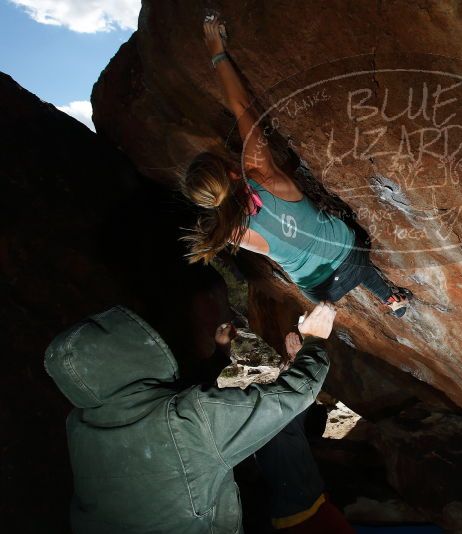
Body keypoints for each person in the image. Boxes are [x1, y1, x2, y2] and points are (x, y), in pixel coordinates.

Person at [44, 302, 345, 533]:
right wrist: (314, 342)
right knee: (281, 440)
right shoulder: (188, 423)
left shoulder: (80, 427)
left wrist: (220, 353)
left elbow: (166, 400)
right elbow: (292, 395)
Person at [179, 15, 409, 316]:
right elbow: (241, 107)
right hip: (350, 256)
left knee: (341, 265)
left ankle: (391, 301)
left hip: (320, 291)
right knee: (350, 253)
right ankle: (393, 300)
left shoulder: (226, 231)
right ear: (231, 171)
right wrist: (217, 52)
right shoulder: (261, 174)